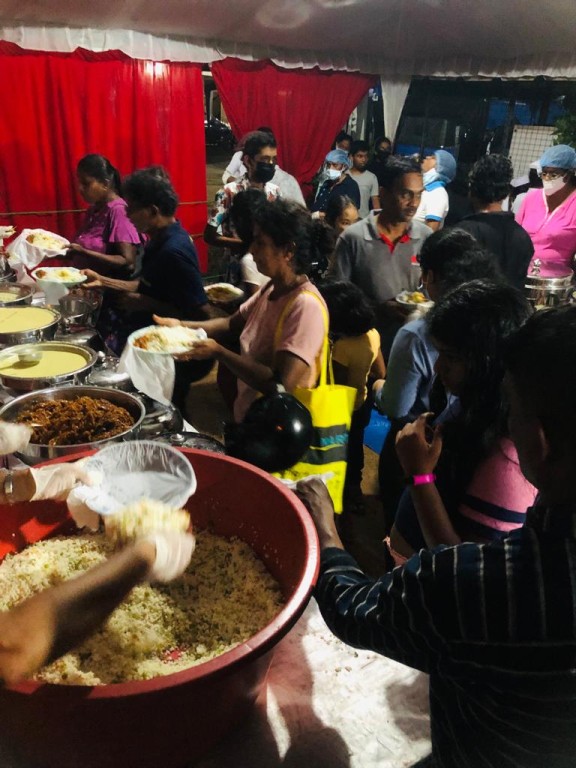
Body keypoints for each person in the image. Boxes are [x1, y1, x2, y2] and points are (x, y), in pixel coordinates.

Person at [297, 302, 576, 768]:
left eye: (515, 408)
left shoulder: (489, 581)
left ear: (541, 440)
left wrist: (325, 528)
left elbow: (354, 612)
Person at [389, 280, 535, 563]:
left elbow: (462, 565)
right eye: (439, 353)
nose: (438, 367)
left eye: (451, 357)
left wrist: (419, 475)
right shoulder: (473, 406)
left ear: (489, 361)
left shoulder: (505, 463)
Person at [155, 199, 332, 423]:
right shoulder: (272, 287)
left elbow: (280, 385)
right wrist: (181, 326)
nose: (252, 249)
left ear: (288, 250)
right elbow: (230, 324)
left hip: (277, 427)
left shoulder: (305, 306)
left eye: (260, 243)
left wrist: (219, 352)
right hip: (252, 415)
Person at [373, 230, 501, 531]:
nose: (440, 367)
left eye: (449, 357)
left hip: (415, 444)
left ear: (430, 276)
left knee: (404, 529)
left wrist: (378, 386)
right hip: (469, 448)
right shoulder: (494, 323)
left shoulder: (416, 334)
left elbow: (396, 406)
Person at [82, 171, 211, 411]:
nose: (127, 214)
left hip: (172, 352)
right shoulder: (158, 240)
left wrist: (147, 304)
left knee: (169, 408)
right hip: (153, 343)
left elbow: (201, 315)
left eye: (132, 208)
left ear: (152, 211)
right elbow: (147, 285)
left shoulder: (174, 251)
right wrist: (103, 281)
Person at [332, 156, 431, 358]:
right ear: (384, 194)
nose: (414, 203)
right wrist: (378, 309)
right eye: (406, 194)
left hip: (410, 351)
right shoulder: (353, 238)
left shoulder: (426, 238)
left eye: (419, 195)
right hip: (363, 351)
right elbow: (337, 299)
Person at [319, 280, 385, 513]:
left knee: (335, 447)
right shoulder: (373, 335)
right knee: (356, 445)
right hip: (362, 403)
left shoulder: (343, 347)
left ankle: (332, 491)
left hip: (341, 408)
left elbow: (335, 385)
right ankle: (354, 489)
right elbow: (380, 372)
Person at [455, 154, 534, 289]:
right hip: (509, 302)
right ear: (506, 192)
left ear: (472, 189)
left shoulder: (462, 233)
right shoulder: (523, 237)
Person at [205, 130, 281, 252]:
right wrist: (246, 245)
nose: (271, 164)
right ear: (248, 160)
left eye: (274, 159)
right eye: (265, 159)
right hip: (237, 259)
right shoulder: (229, 192)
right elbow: (210, 235)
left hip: (266, 259)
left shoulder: (275, 192)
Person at [68, 154, 141, 277]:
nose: (80, 188)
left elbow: (127, 261)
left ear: (105, 184)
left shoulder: (119, 211)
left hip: (105, 286)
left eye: (86, 184)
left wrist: (84, 252)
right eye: (79, 183)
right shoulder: (94, 210)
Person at [516, 143, 576, 277]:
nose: (547, 178)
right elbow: (515, 234)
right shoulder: (531, 198)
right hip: (521, 272)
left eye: (554, 174)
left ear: (569, 174)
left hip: (557, 278)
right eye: (544, 173)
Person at [414, 149, 457, 231]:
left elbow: (431, 232)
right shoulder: (425, 189)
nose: (427, 157)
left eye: (433, 158)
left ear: (440, 168)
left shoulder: (437, 194)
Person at [311, 149, 361, 217]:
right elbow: (318, 204)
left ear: (344, 166)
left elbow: (349, 213)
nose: (330, 168)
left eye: (335, 165)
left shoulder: (351, 186)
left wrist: (322, 215)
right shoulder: (327, 183)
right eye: (328, 164)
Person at [347, 140, 380, 218]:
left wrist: (377, 220)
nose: (364, 160)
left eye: (366, 156)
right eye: (360, 156)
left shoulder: (372, 177)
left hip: (363, 220)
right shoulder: (344, 175)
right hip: (346, 220)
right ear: (351, 157)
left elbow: (375, 201)